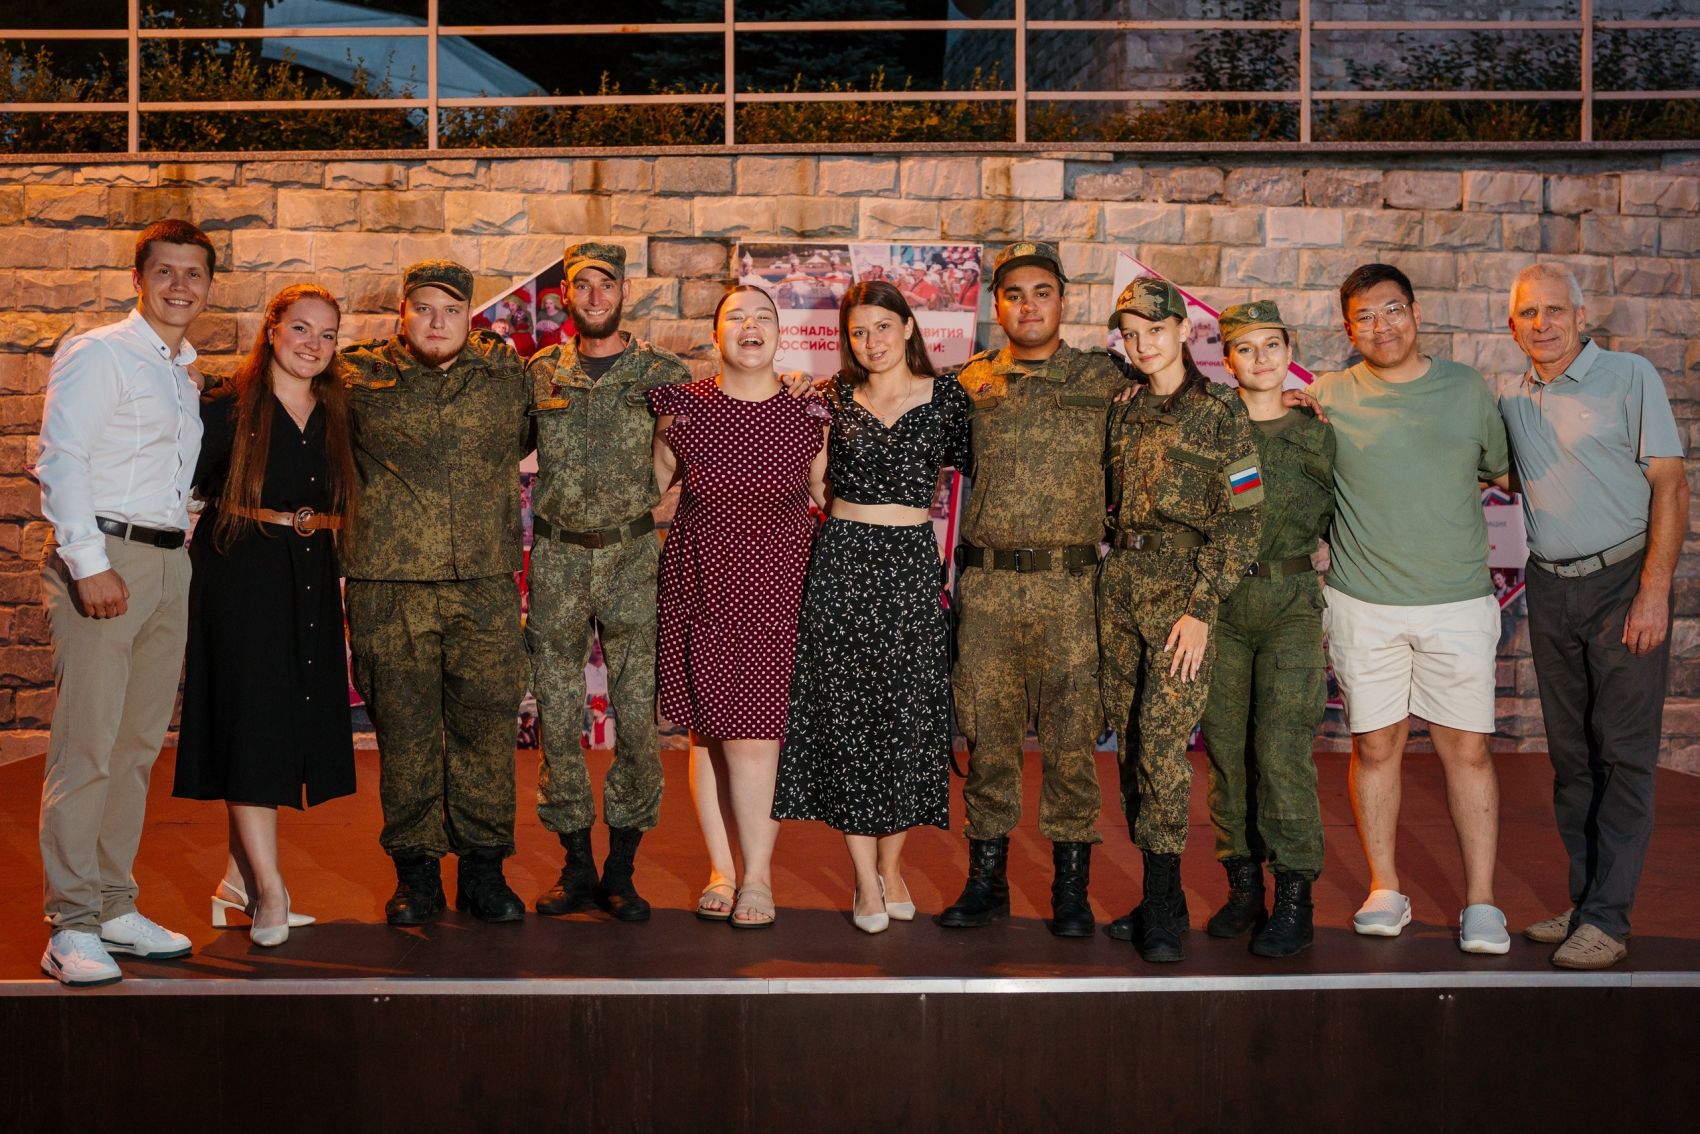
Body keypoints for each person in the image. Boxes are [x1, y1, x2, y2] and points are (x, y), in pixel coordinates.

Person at [35, 218, 216, 985]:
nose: (180, 285)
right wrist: (87, 562)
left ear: (209, 286)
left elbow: (162, 472)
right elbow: (61, 457)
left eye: (194, 273)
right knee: (88, 747)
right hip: (107, 558)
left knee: (136, 748)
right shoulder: (100, 351)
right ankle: (70, 925)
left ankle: (113, 906)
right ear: (138, 278)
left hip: (169, 564)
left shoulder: (182, 374)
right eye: (165, 270)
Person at [1315, 262, 1512, 955]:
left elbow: (1501, 469)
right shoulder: (1327, 396)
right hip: (1362, 603)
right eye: (1364, 317)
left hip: (1458, 601)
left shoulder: (1466, 388)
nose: (1381, 326)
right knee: (1375, 747)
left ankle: (1482, 903)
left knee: (1468, 751)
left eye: (1392, 309)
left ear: (1416, 312)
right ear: (1349, 330)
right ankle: (1385, 888)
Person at [1498, 263, 1687, 969]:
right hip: (1551, 588)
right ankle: (1585, 904)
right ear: (1511, 326)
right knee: (1573, 759)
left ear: (1581, 318)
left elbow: (1671, 485)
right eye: (1528, 313)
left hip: (1622, 583)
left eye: (1555, 310)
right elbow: (1488, 468)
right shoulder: (1513, 398)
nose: (1542, 323)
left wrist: (1653, 590)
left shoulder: (1630, 377)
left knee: (1624, 755)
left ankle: (1609, 919)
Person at [942, 240, 1133, 938]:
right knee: (988, 741)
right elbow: (896, 409)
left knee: (1072, 744)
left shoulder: (1106, 377)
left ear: (1063, 300)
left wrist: (1286, 397)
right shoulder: (968, 383)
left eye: (1042, 292)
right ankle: (986, 882)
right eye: (1014, 294)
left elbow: (1182, 400)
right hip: (990, 588)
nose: (1029, 306)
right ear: (997, 306)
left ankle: (1071, 890)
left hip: (1072, 589)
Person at [773, 281, 971, 934]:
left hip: (910, 567)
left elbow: (990, 464)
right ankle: (864, 877)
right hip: (843, 564)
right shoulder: (830, 398)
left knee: (905, 720)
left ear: (908, 327)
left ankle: (892, 866)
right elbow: (808, 476)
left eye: (883, 326)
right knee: (848, 719)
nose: (871, 341)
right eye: (858, 332)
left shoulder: (948, 399)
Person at [339, 260, 533, 926]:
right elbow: (282, 386)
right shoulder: (356, 375)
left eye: (451, 310)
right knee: (406, 737)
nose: (437, 321)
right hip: (388, 587)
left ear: (469, 316)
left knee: (486, 734)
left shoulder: (508, 377)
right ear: (402, 311)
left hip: (483, 587)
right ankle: (415, 874)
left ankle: (484, 870)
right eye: (423, 308)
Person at [172, 284, 359, 947]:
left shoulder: (338, 409)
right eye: (301, 328)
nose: (313, 344)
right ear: (272, 328)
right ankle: (271, 893)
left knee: (281, 722)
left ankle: (237, 882)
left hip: (309, 573)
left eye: (327, 335)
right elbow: (175, 479)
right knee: (252, 721)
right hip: (241, 571)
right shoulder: (226, 405)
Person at [649, 285, 829, 928]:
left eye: (764, 317)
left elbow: (829, 498)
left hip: (778, 586)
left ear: (780, 333)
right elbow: (647, 487)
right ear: (716, 334)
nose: (751, 327)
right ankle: (721, 871)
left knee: (756, 738)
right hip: (699, 580)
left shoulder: (810, 414)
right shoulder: (682, 408)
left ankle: (757, 877)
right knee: (706, 735)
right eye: (737, 317)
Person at [522, 243, 691, 922]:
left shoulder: (662, 372)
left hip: (632, 558)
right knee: (559, 717)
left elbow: (701, 445)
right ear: (565, 294)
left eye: (607, 284)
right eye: (582, 285)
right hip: (558, 558)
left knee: (638, 720)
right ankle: (575, 864)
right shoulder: (540, 373)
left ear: (625, 291)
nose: (595, 297)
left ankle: (621, 868)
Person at [1097, 278, 1263, 963]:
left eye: (1155, 331)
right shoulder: (1123, 407)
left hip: (1182, 598)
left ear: (1185, 330)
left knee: (1164, 749)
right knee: (1132, 746)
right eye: (1131, 334)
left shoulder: (1223, 412)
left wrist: (1201, 609)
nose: (1143, 345)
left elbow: (1244, 519)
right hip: (1120, 588)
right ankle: (1153, 893)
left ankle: (1166, 905)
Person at [1195, 301, 1333, 959]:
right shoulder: (1211, 427)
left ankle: (1295, 896)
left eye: (1271, 345)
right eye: (1245, 348)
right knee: (1227, 749)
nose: (1260, 359)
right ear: (1227, 361)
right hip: (1223, 604)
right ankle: (1243, 885)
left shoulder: (1319, 432)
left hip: (1290, 602)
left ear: (1289, 352)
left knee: (1282, 750)